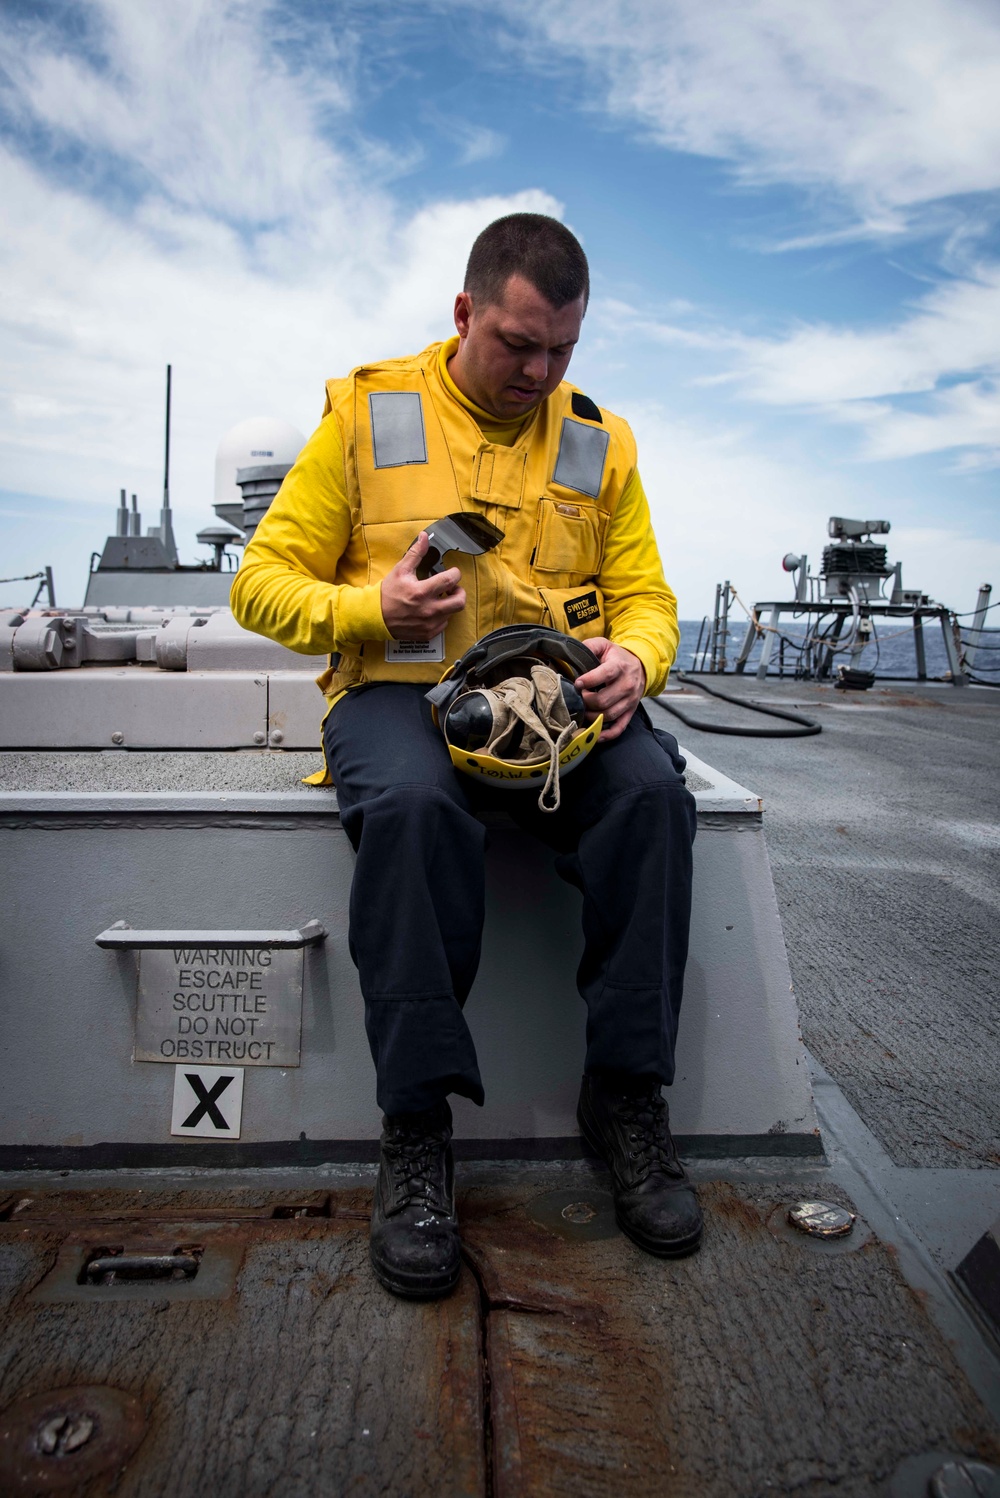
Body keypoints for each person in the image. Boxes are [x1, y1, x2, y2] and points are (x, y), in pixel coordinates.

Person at [231, 213, 701, 1300]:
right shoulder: (368, 410)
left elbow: (647, 598)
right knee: (409, 809)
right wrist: (368, 606)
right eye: (517, 345)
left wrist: (638, 657)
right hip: (400, 694)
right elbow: (259, 582)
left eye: (562, 351)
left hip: (553, 711)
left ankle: (625, 1099)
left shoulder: (599, 439)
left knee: (652, 801)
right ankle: (416, 1133)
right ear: (463, 313)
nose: (539, 373)